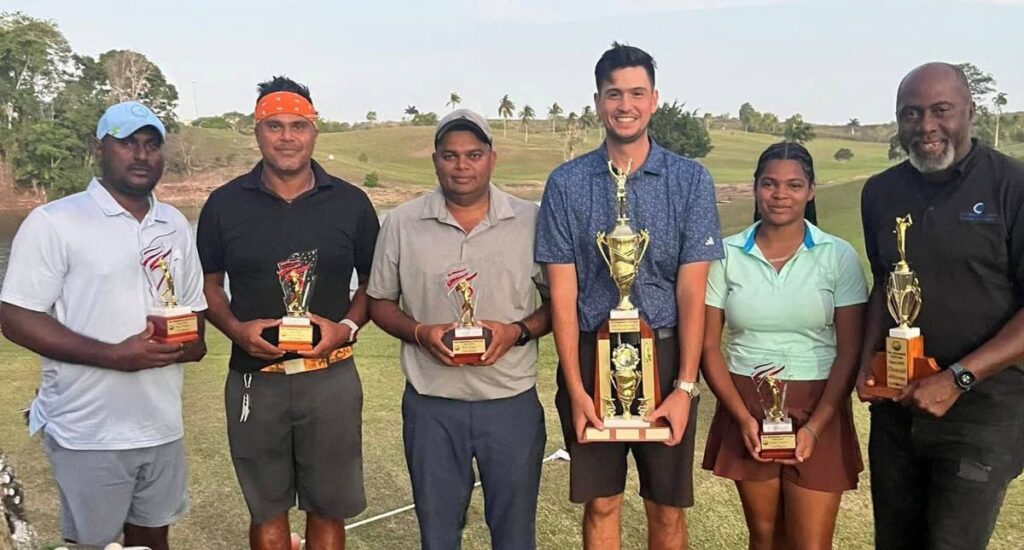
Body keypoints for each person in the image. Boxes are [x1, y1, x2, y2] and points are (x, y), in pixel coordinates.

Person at [534, 42, 723, 549]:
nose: (625, 104)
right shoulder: (566, 184)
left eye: (636, 92)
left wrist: (685, 388)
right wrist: (575, 387)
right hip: (591, 356)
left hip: (664, 354)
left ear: (655, 99)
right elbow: (563, 294)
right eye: (614, 93)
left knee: (665, 508)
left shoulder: (690, 180)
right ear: (597, 101)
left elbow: (692, 291)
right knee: (601, 504)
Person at [0, 101, 207, 549]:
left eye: (151, 145)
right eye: (127, 143)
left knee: (152, 540)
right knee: (94, 545)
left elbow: (193, 313)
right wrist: (115, 356)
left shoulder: (173, 223)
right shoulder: (54, 221)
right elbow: (16, 317)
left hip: (161, 423)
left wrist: (189, 343)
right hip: (87, 429)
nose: (141, 155)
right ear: (99, 148)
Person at [196, 76, 379, 550]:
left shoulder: (351, 203)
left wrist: (345, 328)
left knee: (329, 509)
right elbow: (210, 287)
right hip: (256, 379)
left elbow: (374, 287)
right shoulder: (223, 204)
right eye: (273, 126)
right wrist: (236, 330)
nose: (287, 137)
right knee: (267, 509)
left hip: (331, 378)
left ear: (315, 131)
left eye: (298, 125)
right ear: (256, 132)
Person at [856, 62, 1024, 549]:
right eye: (911, 113)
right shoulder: (880, 193)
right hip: (898, 410)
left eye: (940, 110)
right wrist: (869, 358)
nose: (925, 126)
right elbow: (884, 282)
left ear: (969, 112)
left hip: (981, 412)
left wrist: (958, 378)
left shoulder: (1011, 186)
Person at [367, 109, 551, 550]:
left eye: (473, 154)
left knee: (514, 535)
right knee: (439, 535)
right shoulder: (401, 222)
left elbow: (558, 303)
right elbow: (378, 301)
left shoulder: (532, 219)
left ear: (492, 158)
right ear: (435, 160)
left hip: (509, 403)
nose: (462, 166)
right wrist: (420, 333)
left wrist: (516, 332)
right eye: (450, 156)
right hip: (432, 406)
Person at [701, 142, 866, 549]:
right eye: (770, 184)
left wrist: (816, 425)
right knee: (764, 537)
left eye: (794, 185)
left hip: (818, 404)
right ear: (756, 188)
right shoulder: (726, 254)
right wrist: (742, 419)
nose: (780, 195)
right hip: (747, 404)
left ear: (811, 191)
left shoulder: (837, 256)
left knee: (809, 543)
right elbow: (708, 347)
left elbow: (850, 349)